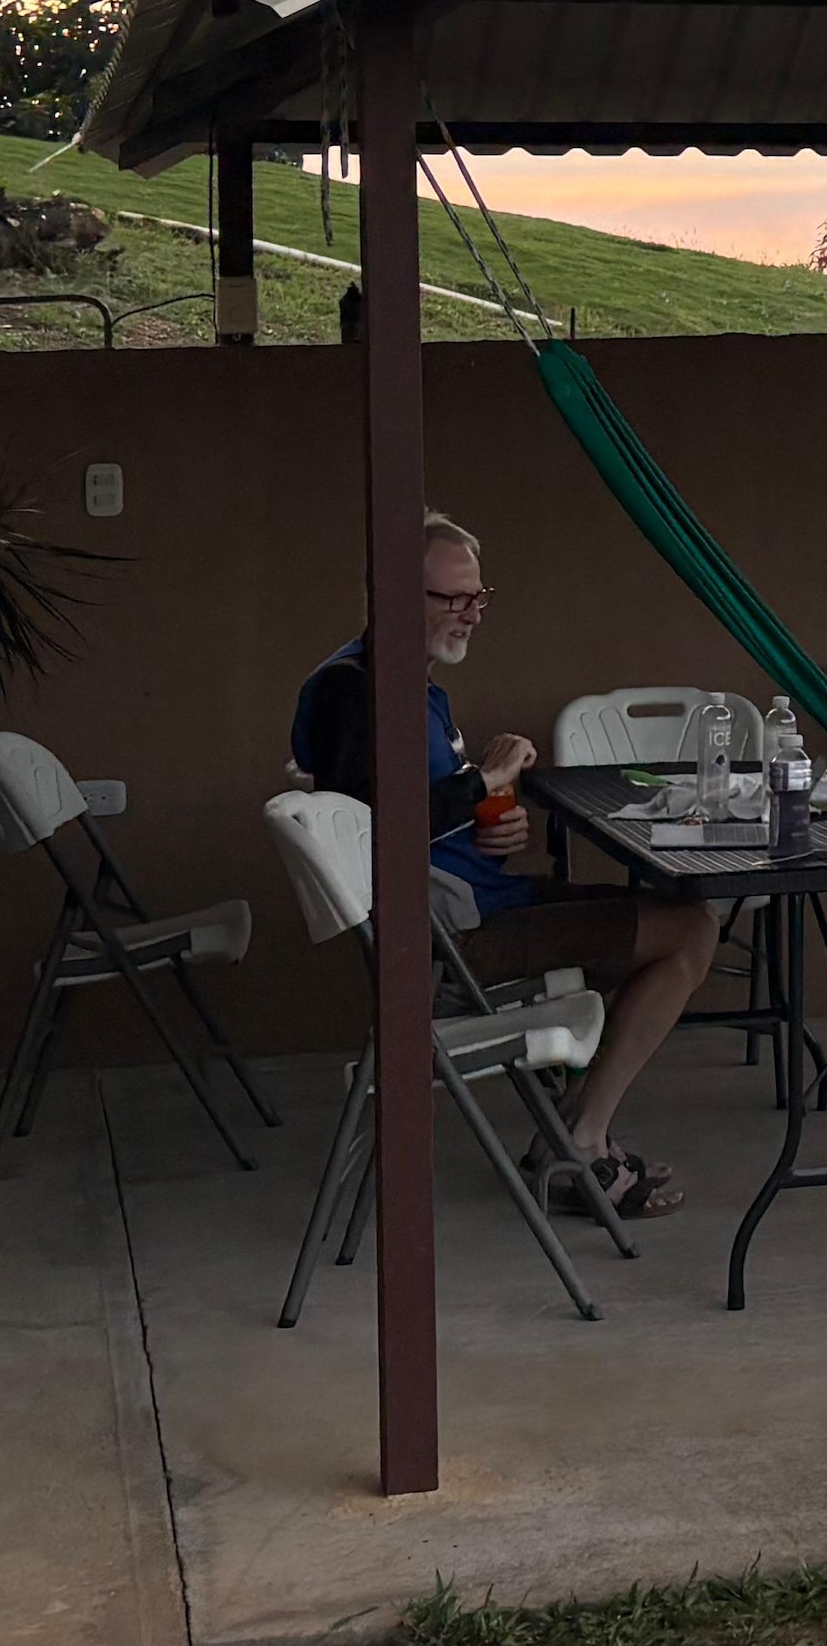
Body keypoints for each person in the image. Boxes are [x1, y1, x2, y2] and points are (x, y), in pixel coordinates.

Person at [292, 509, 719, 1223]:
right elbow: (380, 820)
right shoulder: (355, 690)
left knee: (670, 918)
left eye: (479, 597)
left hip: (466, 910)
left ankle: (573, 1136)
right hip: (449, 947)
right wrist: (485, 782)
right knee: (689, 930)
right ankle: (580, 1143)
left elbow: (414, 809)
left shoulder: (402, 682)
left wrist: (489, 823)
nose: (472, 615)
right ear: (394, 597)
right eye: (455, 599)